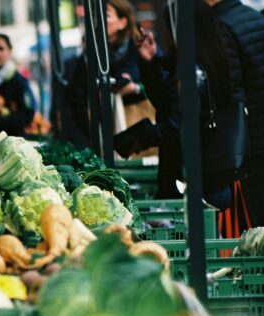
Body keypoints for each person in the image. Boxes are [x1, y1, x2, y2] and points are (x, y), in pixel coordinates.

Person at [115, 0, 242, 210]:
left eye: (168, 28)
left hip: (192, 180)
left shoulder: (192, 74)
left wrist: (136, 138)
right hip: (210, 175)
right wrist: (151, 61)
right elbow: (168, 106)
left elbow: (177, 129)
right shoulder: (209, 61)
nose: (166, 35)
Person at [208, 0, 264, 229]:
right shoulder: (261, 21)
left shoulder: (221, 26)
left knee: (248, 226)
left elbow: (233, 93)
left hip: (246, 144)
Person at [67, 0, 146, 141]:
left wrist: (134, 88)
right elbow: (77, 98)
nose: (101, 21)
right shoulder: (90, 55)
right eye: (98, 16)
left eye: (107, 15)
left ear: (122, 22)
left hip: (139, 131)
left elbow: (159, 84)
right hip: (104, 137)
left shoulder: (141, 48)